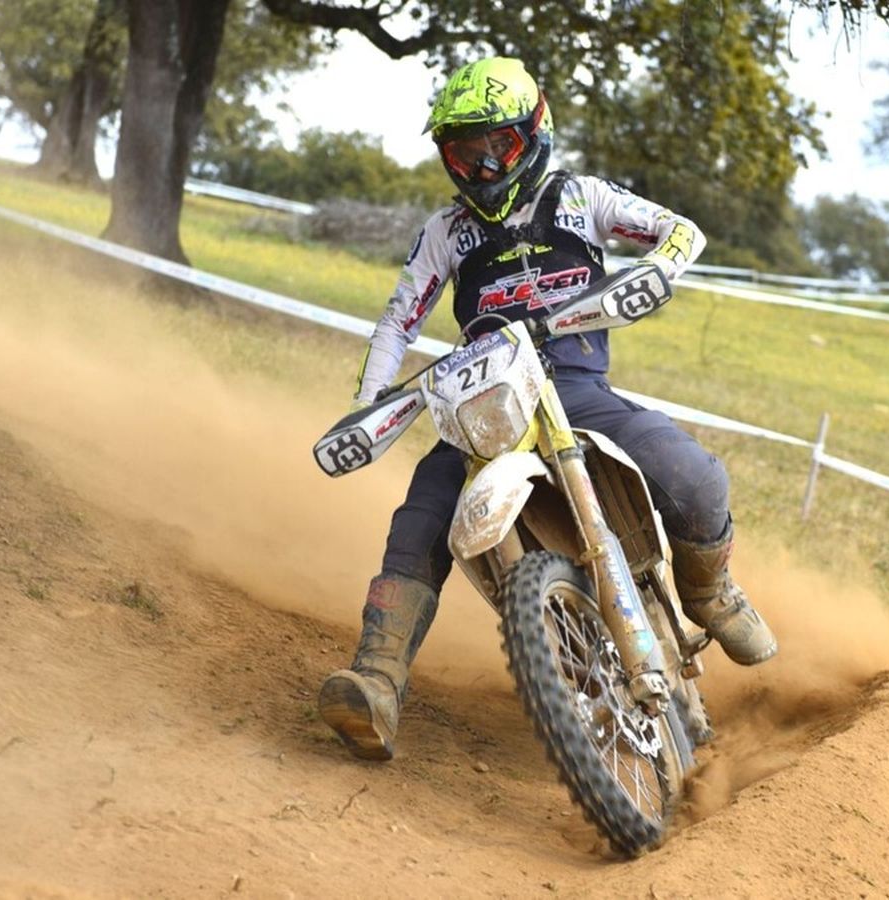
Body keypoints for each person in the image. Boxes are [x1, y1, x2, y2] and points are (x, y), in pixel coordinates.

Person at [320, 57, 777, 761]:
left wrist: (658, 269)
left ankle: (710, 592)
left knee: (694, 476)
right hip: (482, 404)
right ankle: (377, 681)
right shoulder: (446, 232)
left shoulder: (580, 197)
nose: (480, 169)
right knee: (420, 515)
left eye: (495, 148)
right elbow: (397, 322)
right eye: (463, 155)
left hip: (575, 388)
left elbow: (681, 230)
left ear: (534, 134)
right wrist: (369, 401)